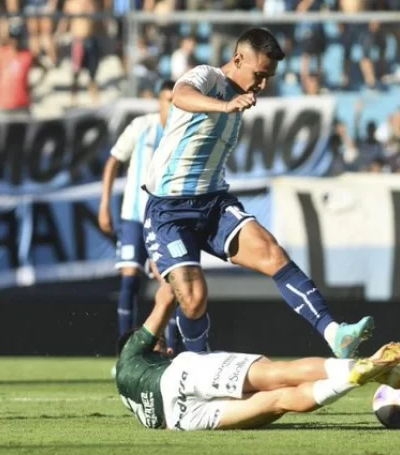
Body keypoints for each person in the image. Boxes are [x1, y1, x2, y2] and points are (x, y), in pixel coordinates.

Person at [142, 27, 373, 358]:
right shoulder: (208, 77)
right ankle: (198, 365)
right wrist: (224, 106)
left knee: (273, 255)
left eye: (269, 78)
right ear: (238, 59)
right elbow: (181, 95)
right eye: (260, 75)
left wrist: (231, 105)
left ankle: (335, 334)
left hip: (213, 203)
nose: (262, 85)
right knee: (193, 300)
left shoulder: (240, 97)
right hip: (169, 210)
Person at [116, 281, 400, 431]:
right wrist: (170, 268)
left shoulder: (128, 395)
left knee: (279, 401)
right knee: (278, 373)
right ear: (135, 343)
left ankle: (354, 378)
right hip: (180, 376)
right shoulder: (130, 351)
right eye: (160, 345)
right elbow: (166, 299)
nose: (168, 349)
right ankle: (355, 366)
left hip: (181, 420)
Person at [98, 81, 181, 353]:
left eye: (177, 100)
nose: (173, 106)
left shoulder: (184, 134)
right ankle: (125, 355)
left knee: (172, 284)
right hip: (133, 217)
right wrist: (104, 205)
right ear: (159, 101)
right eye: (168, 100)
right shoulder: (141, 126)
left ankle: (173, 355)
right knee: (129, 278)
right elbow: (113, 161)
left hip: (164, 222)